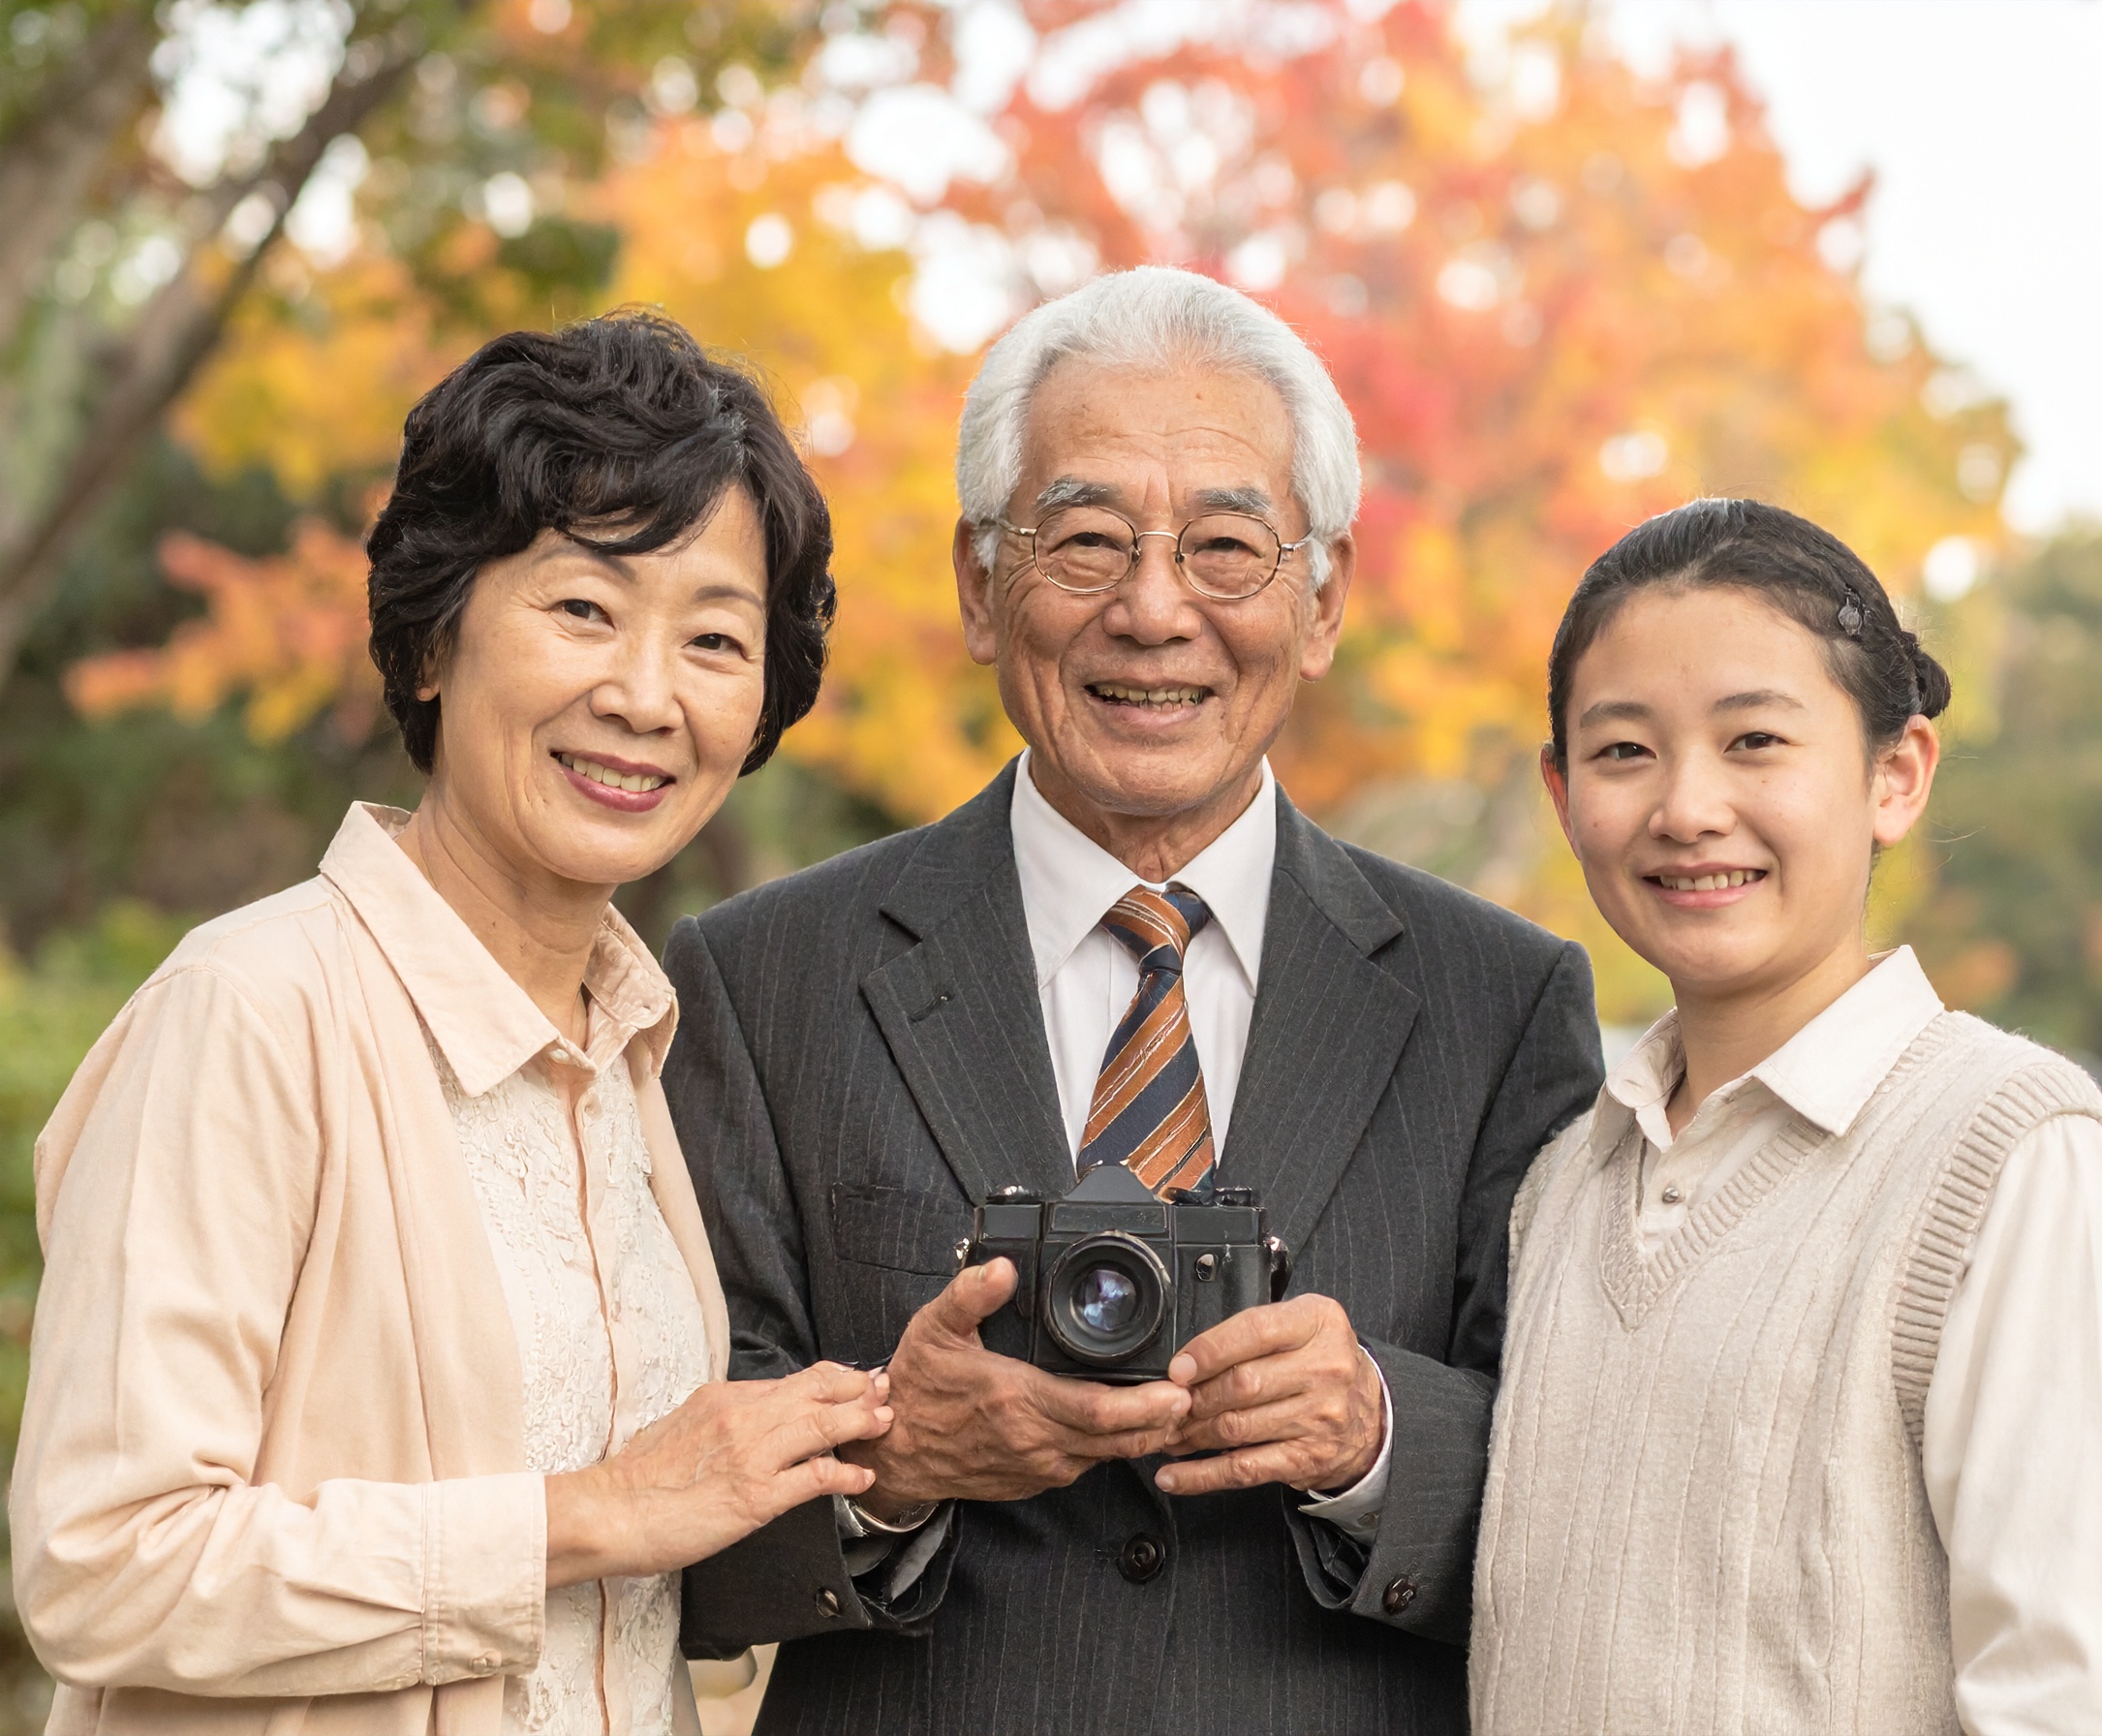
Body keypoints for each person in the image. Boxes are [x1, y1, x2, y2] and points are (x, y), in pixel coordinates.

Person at [662, 265, 1604, 1733]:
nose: (1154, 611)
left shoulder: (1500, 1001)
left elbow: (1591, 1487)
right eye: (1085, 540)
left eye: (1229, 546)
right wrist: (893, 1457)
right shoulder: (763, 976)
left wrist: (1374, 1436)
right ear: (981, 586)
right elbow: (673, 1516)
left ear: (1325, 599)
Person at [11, 312, 895, 1736]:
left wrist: (903, 1455)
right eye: (582, 611)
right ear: (431, 643)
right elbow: (102, 1565)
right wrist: (588, 1518)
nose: (646, 698)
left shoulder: (646, 1055)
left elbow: (650, 1596)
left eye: (716, 640)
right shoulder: (249, 1015)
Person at [1470, 498, 2102, 1734]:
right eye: (1624, 751)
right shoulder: (1563, 1185)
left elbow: (2071, 1700)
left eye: (1755, 740)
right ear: (1562, 790)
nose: (1688, 809)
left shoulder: (2009, 1153)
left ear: (1895, 774)